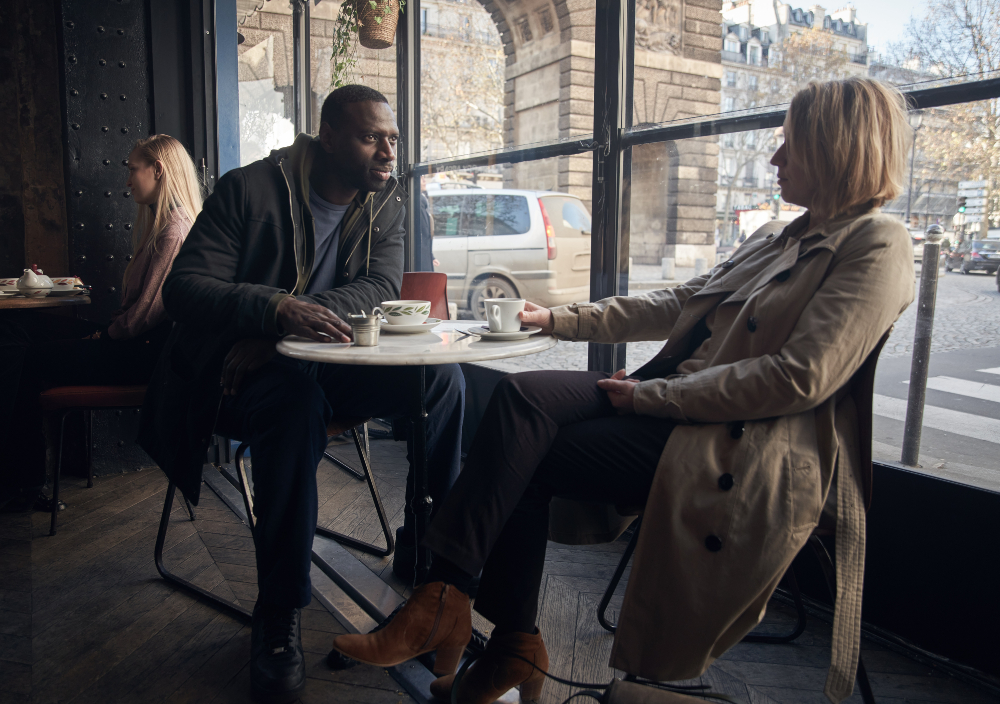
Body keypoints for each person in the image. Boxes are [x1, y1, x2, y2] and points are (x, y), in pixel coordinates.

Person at [331, 77, 917, 704]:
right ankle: (453, 605)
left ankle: (497, 637)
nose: (775, 160)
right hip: (674, 399)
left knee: (522, 458)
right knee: (520, 399)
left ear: (835, 150)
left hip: (738, 440)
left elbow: (797, 378)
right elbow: (676, 303)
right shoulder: (777, 236)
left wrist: (651, 399)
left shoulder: (879, 246)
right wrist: (556, 319)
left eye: (789, 146)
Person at [137, 85, 465, 704]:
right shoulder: (248, 189)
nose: (387, 152)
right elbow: (184, 289)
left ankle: (434, 565)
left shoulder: (386, 201)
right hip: (235, 374)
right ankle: (279, 611)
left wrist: (291, 321)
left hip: (322, 354)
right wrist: (273, 312)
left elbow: (380, 284)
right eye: (372, 138)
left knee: (442, 379)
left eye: (392, 139)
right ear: (328, 137)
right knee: (292, 405)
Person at [0, 135, 199, 512]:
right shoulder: (167, 223)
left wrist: (104, 335)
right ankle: (18, 479)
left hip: (138, 354)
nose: (127, 181)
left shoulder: (174, 231)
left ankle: (20, 483)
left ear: (157, 170)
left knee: (23, 358)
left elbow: (144, 316)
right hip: (128, 342)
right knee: (14, 330)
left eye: (133, 170)